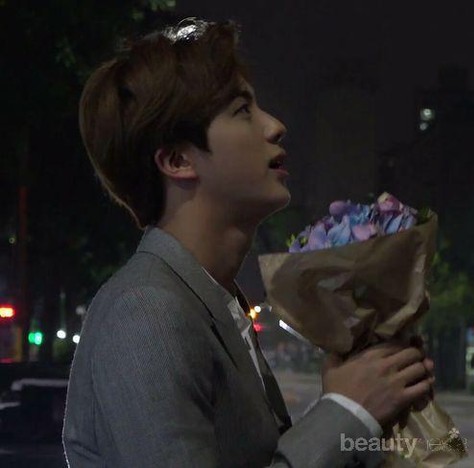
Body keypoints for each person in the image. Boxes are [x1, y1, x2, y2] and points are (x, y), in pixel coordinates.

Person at [62, 18, 435, 467]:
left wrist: (375, 408)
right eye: (242, 110)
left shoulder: (213, 301)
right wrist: (345, 412)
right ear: (178, 160)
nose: (275, 126)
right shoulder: (146, 311)